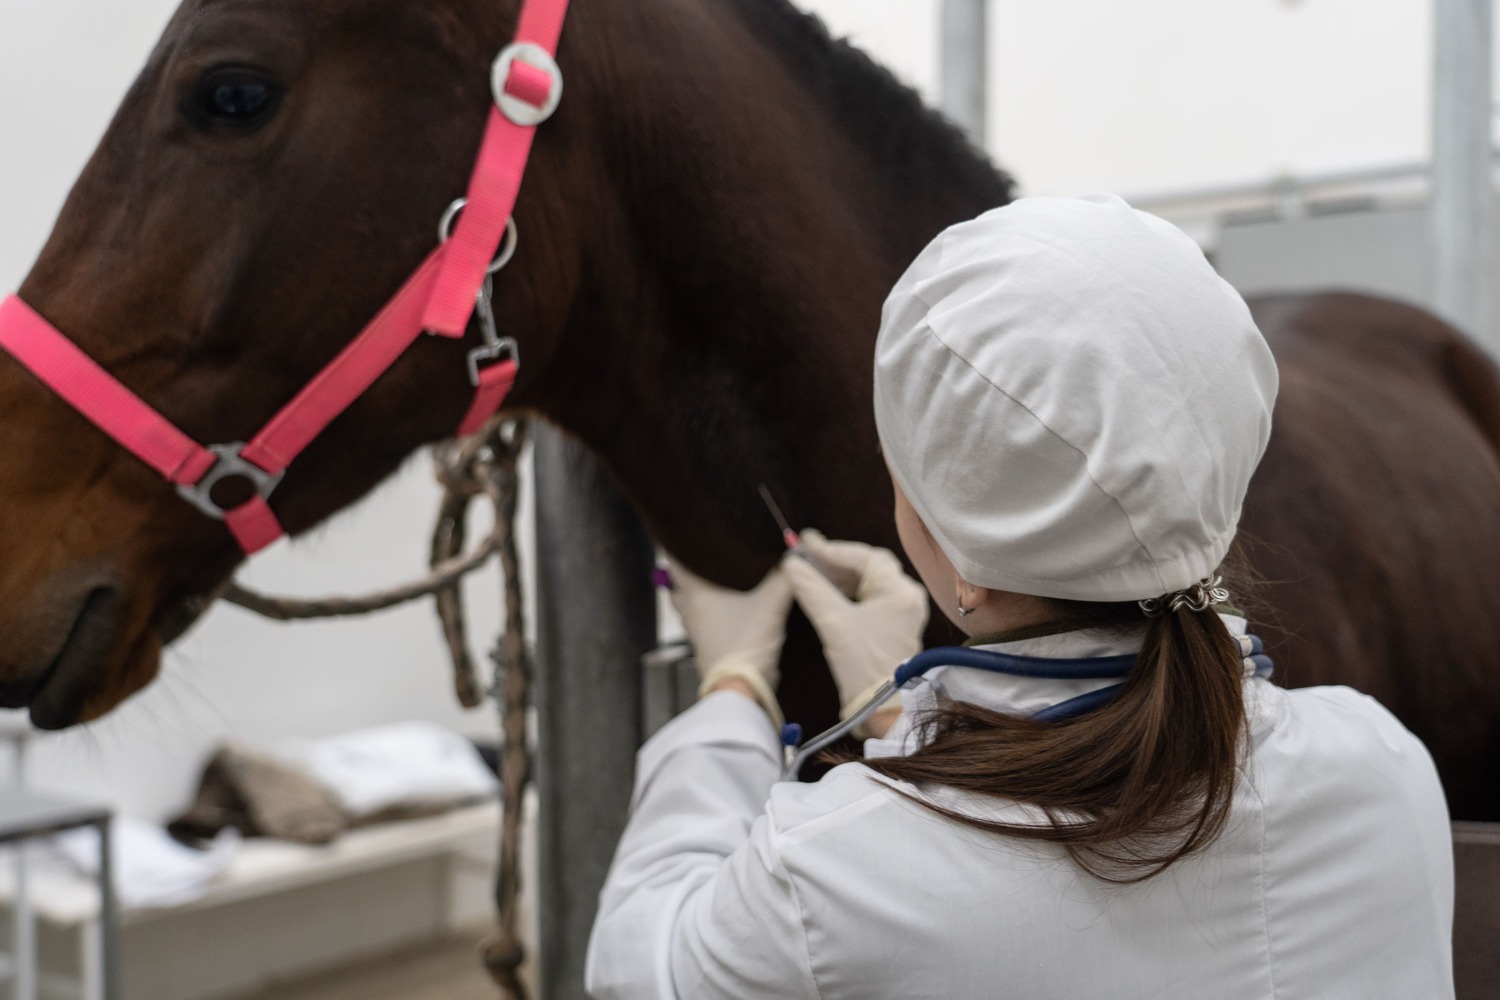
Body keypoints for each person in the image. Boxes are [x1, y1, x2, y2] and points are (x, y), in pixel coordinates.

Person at [584, 195, 1455, 999]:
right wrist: (895, 724)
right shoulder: (1382, 767)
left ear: (965, 565)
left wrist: (730, 689)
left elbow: (642, 963)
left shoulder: (833, 875)